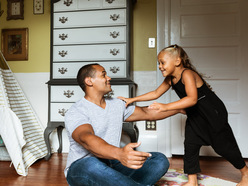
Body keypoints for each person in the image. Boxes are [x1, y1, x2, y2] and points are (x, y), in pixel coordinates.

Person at [118, 44, 248, 186]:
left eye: (163, 62)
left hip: (211, 112)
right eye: (158, 63)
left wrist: (166, 107)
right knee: (190, 144)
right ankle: (192, 181)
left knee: (224, 146)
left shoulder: (187, 74)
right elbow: (156, 93)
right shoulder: (170, 79)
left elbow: (192, 99)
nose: (160, 66)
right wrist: (132, 99)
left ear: (177, 61)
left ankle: (245, 173)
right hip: (195, 113)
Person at [64, 63, 182, 186]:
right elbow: (87, 138)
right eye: (104, 75)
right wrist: (120, 154)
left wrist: (179, 108)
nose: (109, 78)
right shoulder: (76, 111)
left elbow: (146, 112)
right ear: (89, 81)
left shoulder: (117, 104)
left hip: (113, 164)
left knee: (159, 160)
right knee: (90, 165)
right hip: (82, 168)